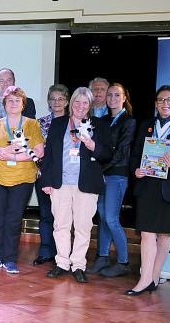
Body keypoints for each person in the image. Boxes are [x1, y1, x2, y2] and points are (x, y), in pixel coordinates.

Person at [125, 85, 170, 295]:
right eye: (160, 100)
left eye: (169, 100)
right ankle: (144, 279)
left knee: (165, 236)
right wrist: (136, 170)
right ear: (156, 103)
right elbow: (135, 155)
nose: (165, 104)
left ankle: (154, 277)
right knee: (147, 234)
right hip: (147, 186)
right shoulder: (146, 125)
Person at [42, 87, 113, 283]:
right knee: (60, 225)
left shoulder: (99, 125)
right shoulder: (58, 123)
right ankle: (62, 263)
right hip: (60, 183)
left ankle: (78, 265)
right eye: (77, 102)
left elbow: (108, 155)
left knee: (83, 227)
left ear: (89, 106)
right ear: (71, 103)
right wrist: (46, 180)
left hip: (87, 184)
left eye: (85, 103)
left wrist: (92, 146)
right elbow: (49, 155)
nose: (80, 106)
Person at [0, 86, 44, 274]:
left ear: (23, 104)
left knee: (14, 220)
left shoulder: (32, 125)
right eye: (10, 101)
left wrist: (11, 157)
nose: (14, 104)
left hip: (22, 179)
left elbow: (39, 152)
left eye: (17, 100)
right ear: (4, 104)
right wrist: (2, 152)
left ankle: (9, 259)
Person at [90, 83, 137, 277]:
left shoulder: (128, 121)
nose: (112, 98)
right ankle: (102, 258)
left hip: (116, 174)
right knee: (102, 218)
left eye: (117, 95)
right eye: (109, 95)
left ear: (124, 97)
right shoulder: (103, 120)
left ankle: (123, 262)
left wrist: (102, 169)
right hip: (103, 174)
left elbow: (121, 152)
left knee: (111, 218)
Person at [33, 84, 69, 266]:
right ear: (48, 101)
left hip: (66, 177)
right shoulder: (40, 123)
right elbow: (36, 151)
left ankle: (62, 254)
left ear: (67, 101)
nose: (56, 102)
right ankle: (46, 250)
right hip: (43, 175)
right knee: (46, 215)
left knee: (62, 217)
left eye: (60, 99)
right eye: (53, 99)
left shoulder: (73, 123)